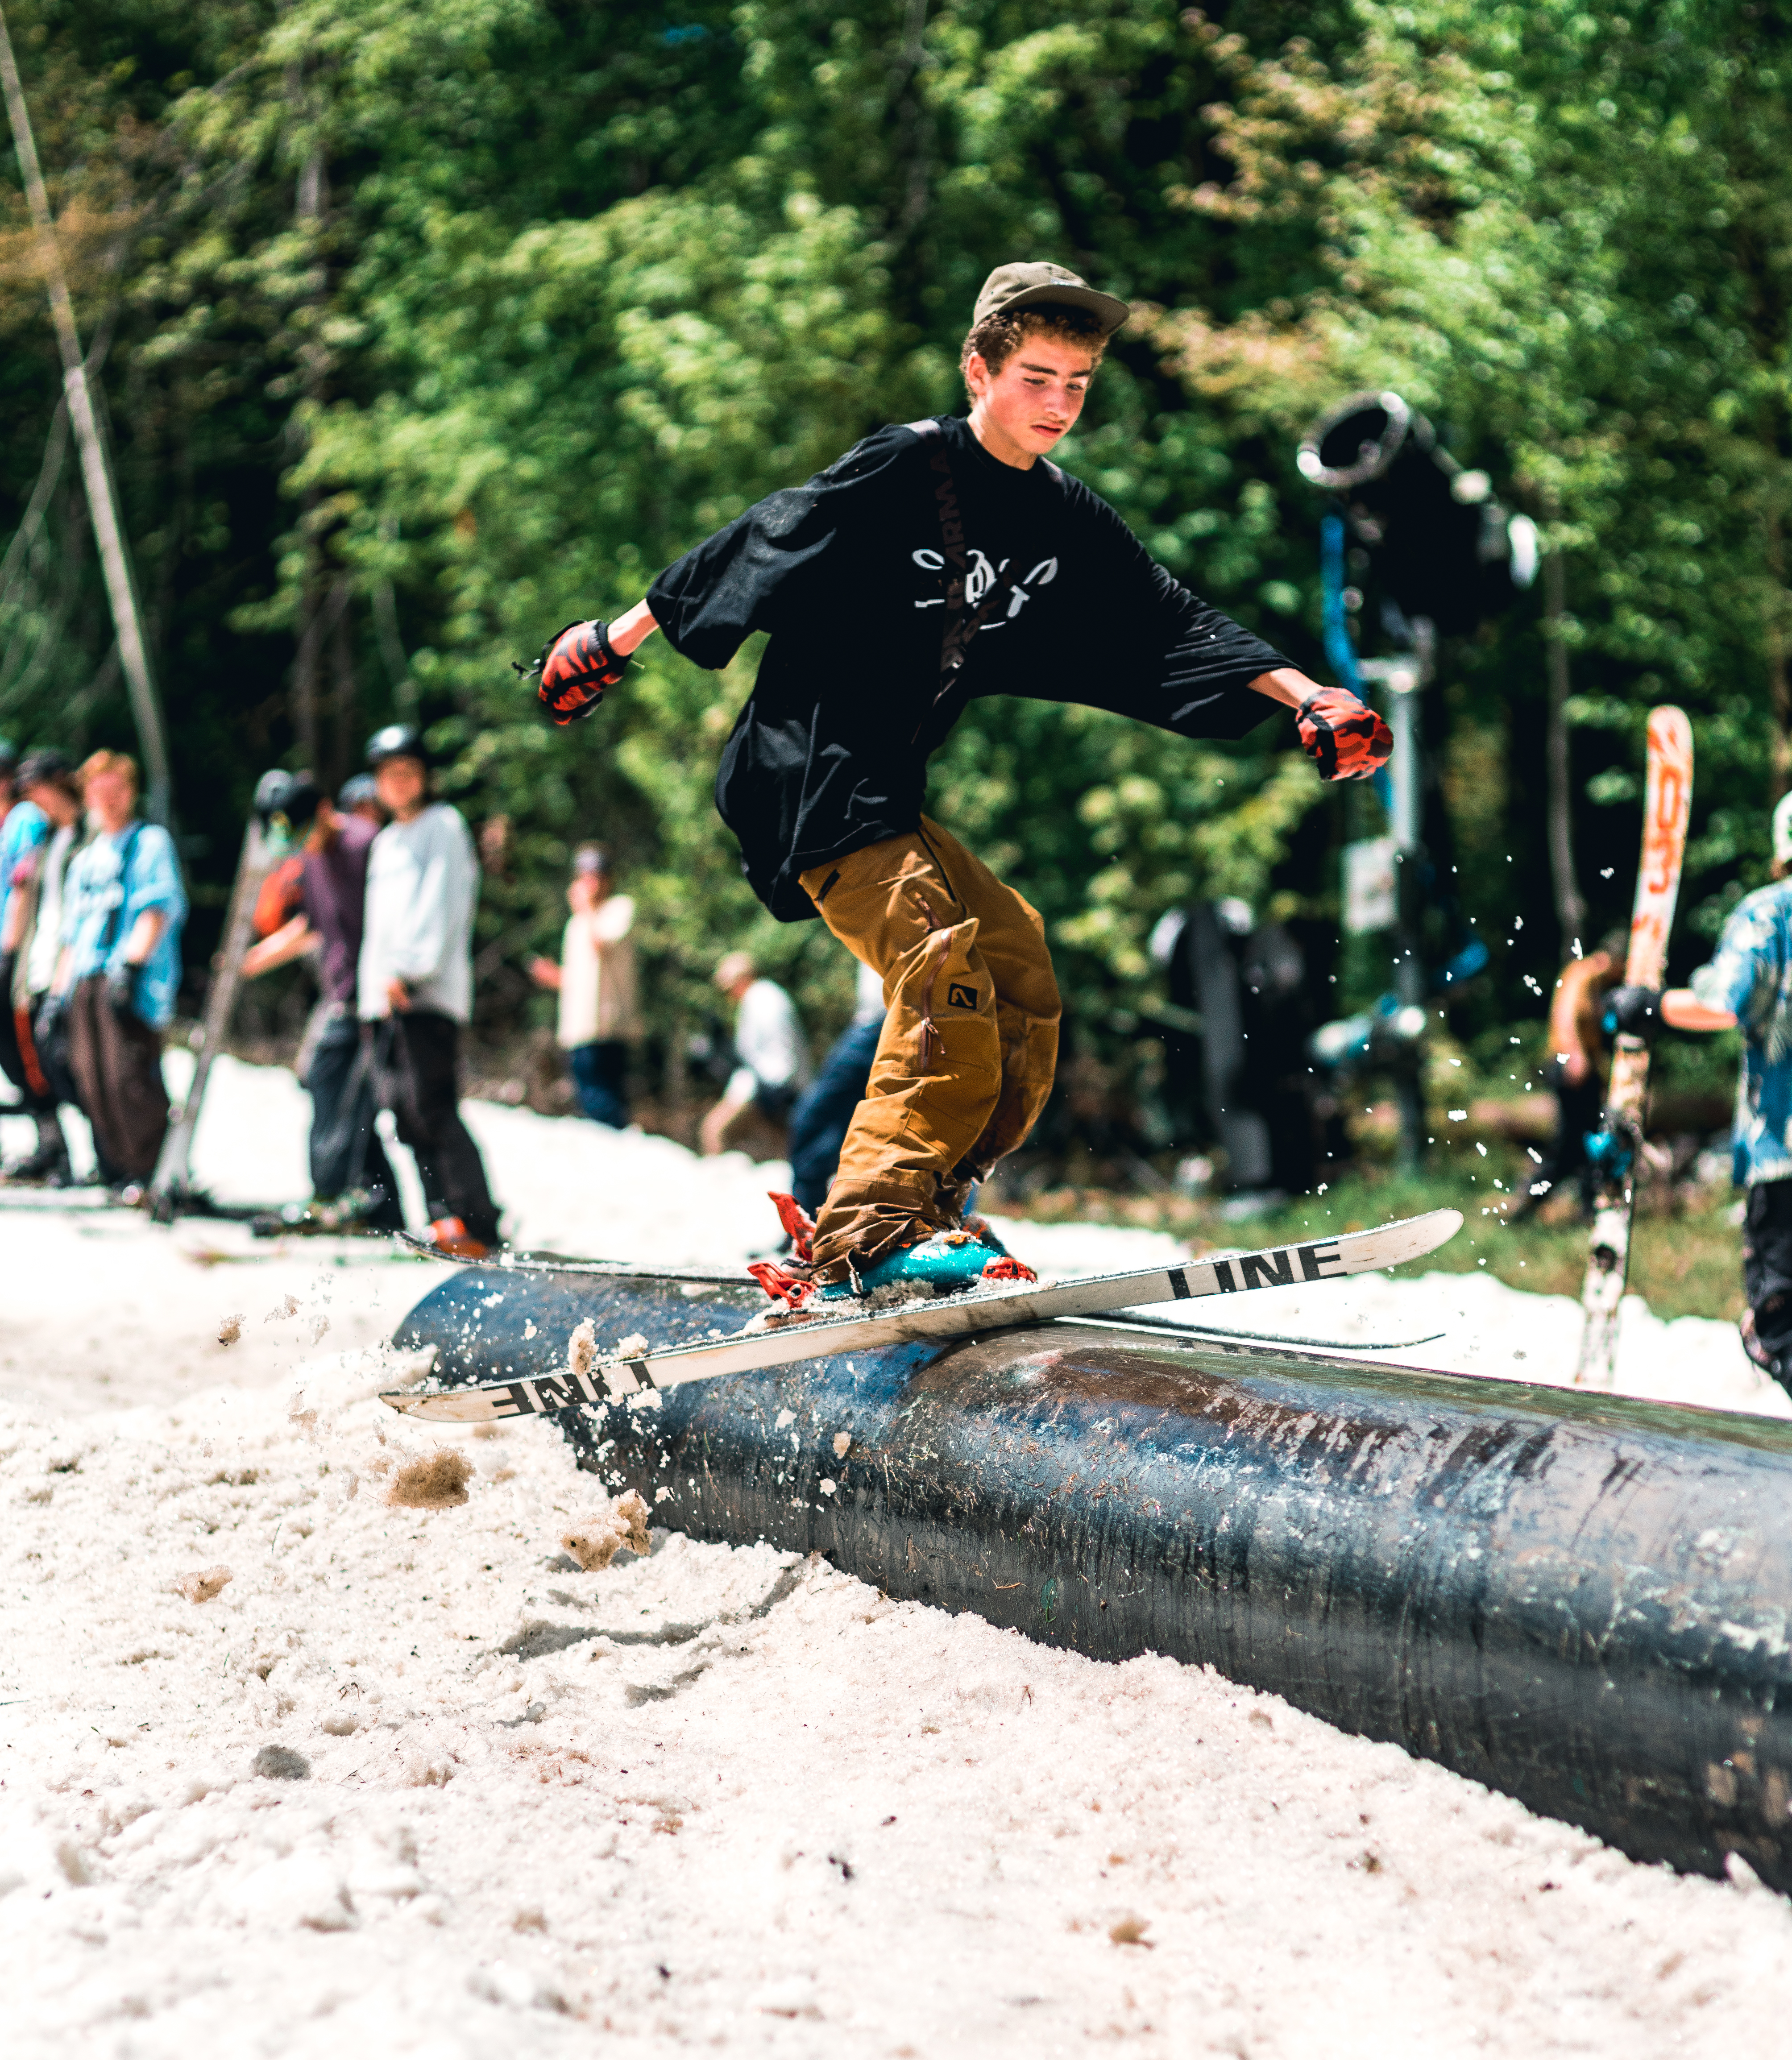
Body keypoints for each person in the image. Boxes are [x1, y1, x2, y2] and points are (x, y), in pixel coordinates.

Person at [527, 261, 1389, 1299]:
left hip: (882, 791)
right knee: (939, 966)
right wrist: (607, 641)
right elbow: (765, 536)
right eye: (1036, 377)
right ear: (978, 369)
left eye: (1076, 384)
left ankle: (935, 1205)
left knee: (1015, 959)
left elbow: (1166, 615)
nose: (1059, 405)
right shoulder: (908, 466)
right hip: (804, 772)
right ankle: (870, 1227)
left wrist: (1304, 696)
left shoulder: (1062, 514)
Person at [1643, 793, 1792, 1394]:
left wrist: (1648, 1007)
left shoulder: (1770, 914)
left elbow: (1717, 1005)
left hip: (1782, 1159)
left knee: (1780, 1322)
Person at [356, 723, 500, 1257]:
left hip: (425, 995)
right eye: (387, 776)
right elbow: (378, 925)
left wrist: (411, 971)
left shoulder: (443, 825)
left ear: (424, 777)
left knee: (433, 1107)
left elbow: (441, 904)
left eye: (406, 773)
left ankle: (477, 1221)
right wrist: (374, 988)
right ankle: (439, 1217)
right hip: (385, 999)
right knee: (402, 1114)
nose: (397, 784)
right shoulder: (385, 841)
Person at [241, 774, 403, 1231]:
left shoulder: (367, 845)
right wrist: (253, 960)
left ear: (325, 810)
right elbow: (311, 926)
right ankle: (381, 1208)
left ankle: (330, 1199)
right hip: (337, 997)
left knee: (343, 1095)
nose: (302, 844)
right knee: (328, 1088)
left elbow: (395, 918)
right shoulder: (311, 859)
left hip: (371, 998)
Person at [50, 750, 187, 1195]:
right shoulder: (85, 859)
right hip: (84, 979)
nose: (108, 799)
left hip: (127, 975)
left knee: (129, 1077)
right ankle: (121, 1168)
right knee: (91, 1077)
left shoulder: (148, 842)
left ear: (131, 792)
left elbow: (156, 908)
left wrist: (131, 968)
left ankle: (157, 1172)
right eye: (99, 790)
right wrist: (57, 994)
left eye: (116, 790)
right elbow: (71, 933)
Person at [0, 750, 83, 1181]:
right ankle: (50, 1146)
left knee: (36, 1055)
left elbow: (22, 892)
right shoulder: (30, 828)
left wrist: (9, 953)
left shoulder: (28, 822)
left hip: (30, 954)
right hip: (24, 954)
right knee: (19, 1056)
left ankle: (60, 1149)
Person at [1511, 930, 1627, 1223]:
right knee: (1569, 1144)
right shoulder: (1583, 974)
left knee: (1585, 1140)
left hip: (1582, 1067)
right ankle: (1529, 1209)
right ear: (1617, 959)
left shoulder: (1598, 982)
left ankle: (1588, 1209)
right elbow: (1564, 1017)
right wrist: (1575, 1056)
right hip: (1570, 1065)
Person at [528, 842, 640, 1128]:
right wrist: (554, 976)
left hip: (607, 1026)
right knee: (588, 1102)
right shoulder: (576, 923)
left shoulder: (619, 909)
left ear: (608, 879)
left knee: (605, 1103)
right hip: (578, 1028)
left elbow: (600, 944)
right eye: (584, 876)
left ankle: (618, 1154)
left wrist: (587, 908)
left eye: (595, 876)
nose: (588, 883)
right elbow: (581, 979)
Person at [786, 957, 886, 1218]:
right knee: (841, 1127)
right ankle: (816, 1217)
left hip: (880, 1025)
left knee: (812, 1120)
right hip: (877, 1023)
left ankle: (808, 1217)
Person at [699, 951, 811, 1156]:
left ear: (742, 979)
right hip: (780, 1086)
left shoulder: (759, 999)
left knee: (714, 1131)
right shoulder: (768, 995)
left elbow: (770, 1057)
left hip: (774, 1088)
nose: (729, 996)